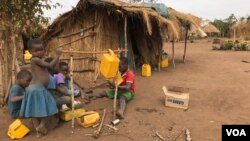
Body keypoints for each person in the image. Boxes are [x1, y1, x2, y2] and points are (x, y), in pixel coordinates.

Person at [19, 38, 61, 138]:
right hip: (37, 89)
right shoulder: (35, 59)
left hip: (34, 89)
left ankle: (39, 131)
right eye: (36, 50)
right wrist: (57, 55)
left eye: (41, 49)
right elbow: (50, 65)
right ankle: (40, 127)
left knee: (34, 112)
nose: (39, 52)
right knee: (49, 108)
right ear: (30, 52)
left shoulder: (37, 60)